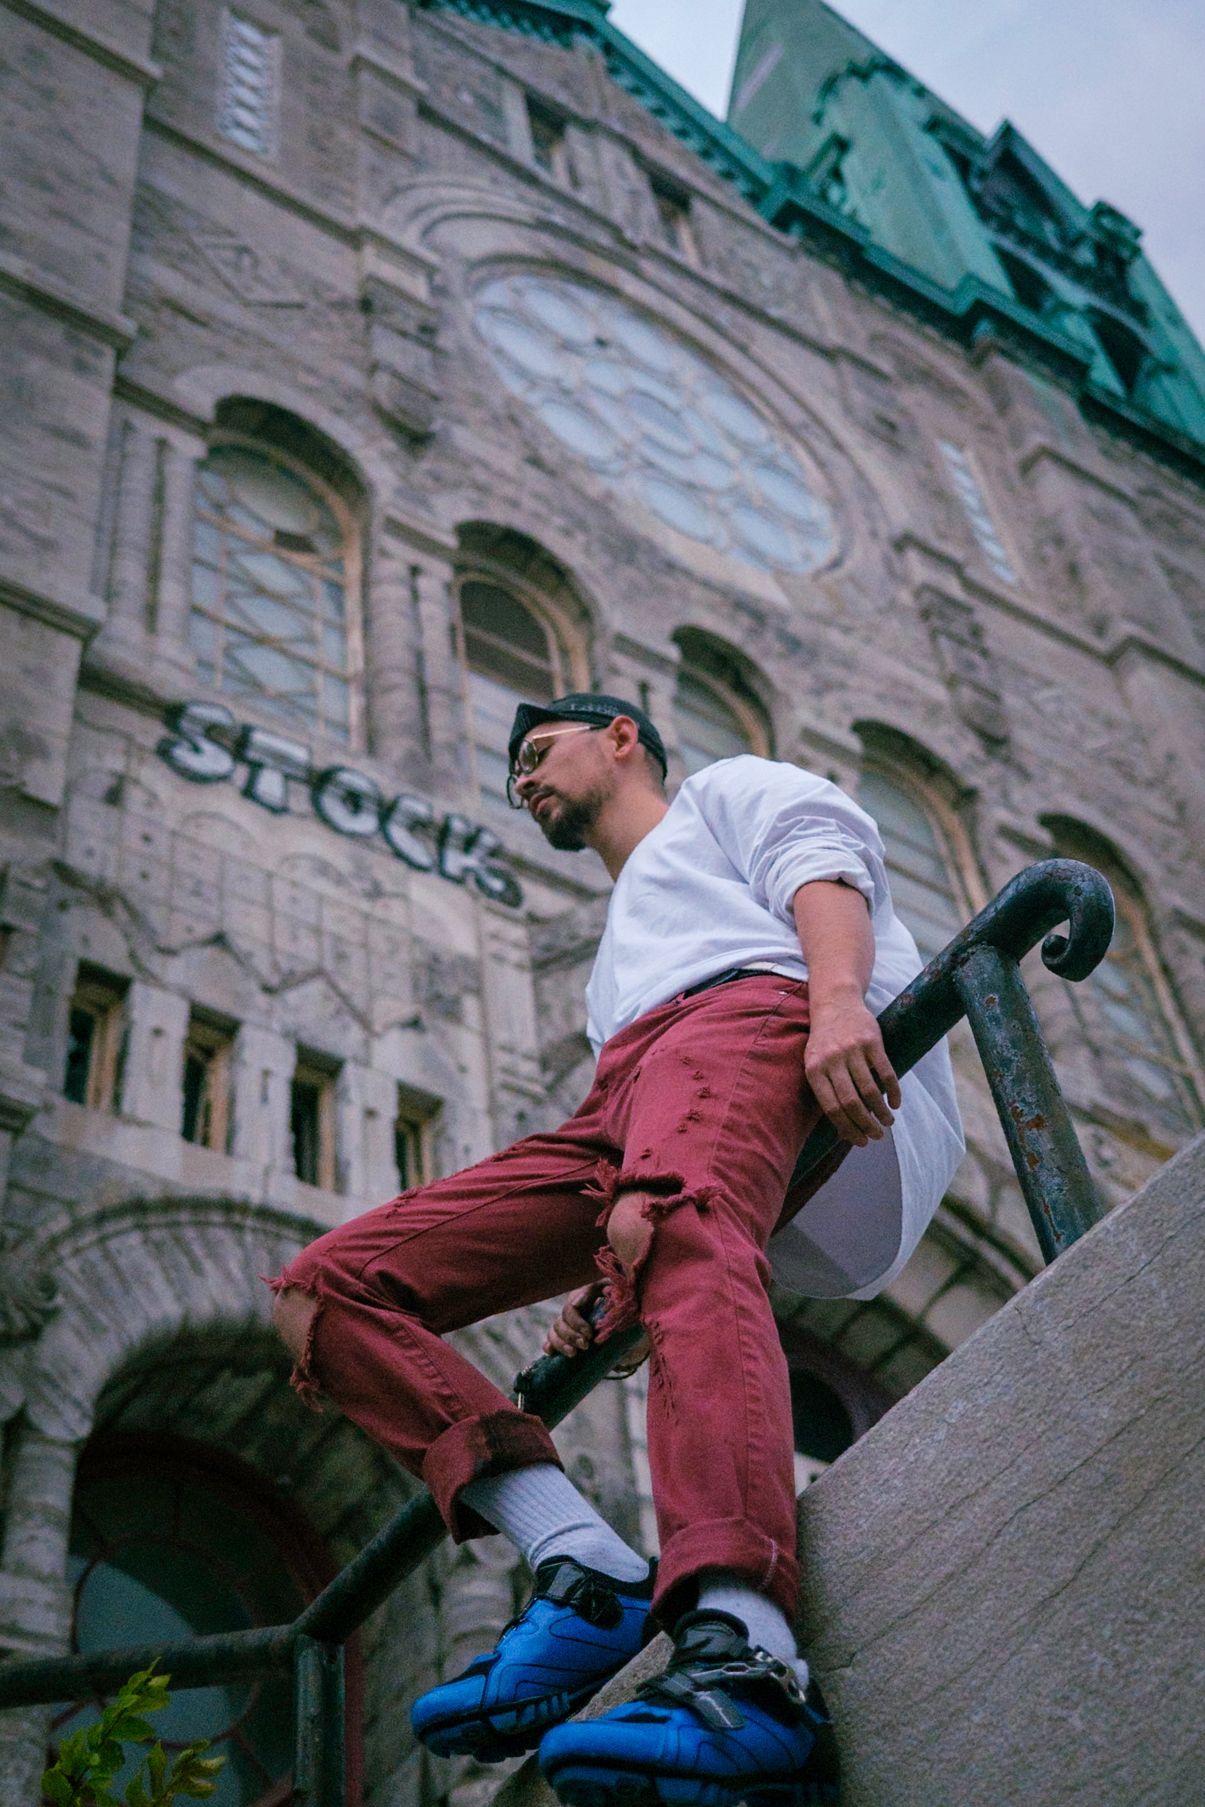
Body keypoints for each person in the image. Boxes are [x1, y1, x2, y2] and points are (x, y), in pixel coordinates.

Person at [268, 693, 963, 1807]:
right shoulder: (611, 967)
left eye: (538, 755)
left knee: (678, 1221)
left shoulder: (725, 792)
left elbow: (821, 868)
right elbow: (652, 1122)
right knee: (328, 1290)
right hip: (631, 1094)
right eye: (511, 775)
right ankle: (582, 1566)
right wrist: (607, 1274)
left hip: (764, 1007)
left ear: (622, 737)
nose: (522, 782)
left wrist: (837, 1000)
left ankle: (746, 1654)